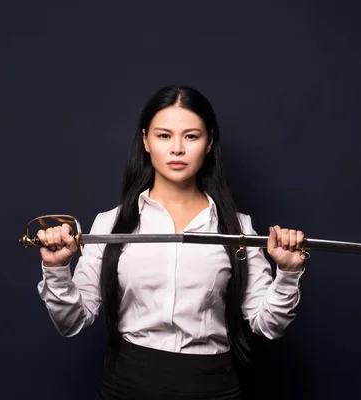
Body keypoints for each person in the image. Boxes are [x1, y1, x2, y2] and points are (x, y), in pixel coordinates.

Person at [35, 85, 307, 399]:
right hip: (127, 386)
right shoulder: (110, 224)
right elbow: (72, 322)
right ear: (145, 140)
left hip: (213, 387)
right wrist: (56, 269)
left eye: (191, 136)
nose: (177, 148)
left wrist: (287, 274)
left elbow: (268, 325)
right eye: (164, 136)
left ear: (209, 143)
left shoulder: (238, 228)